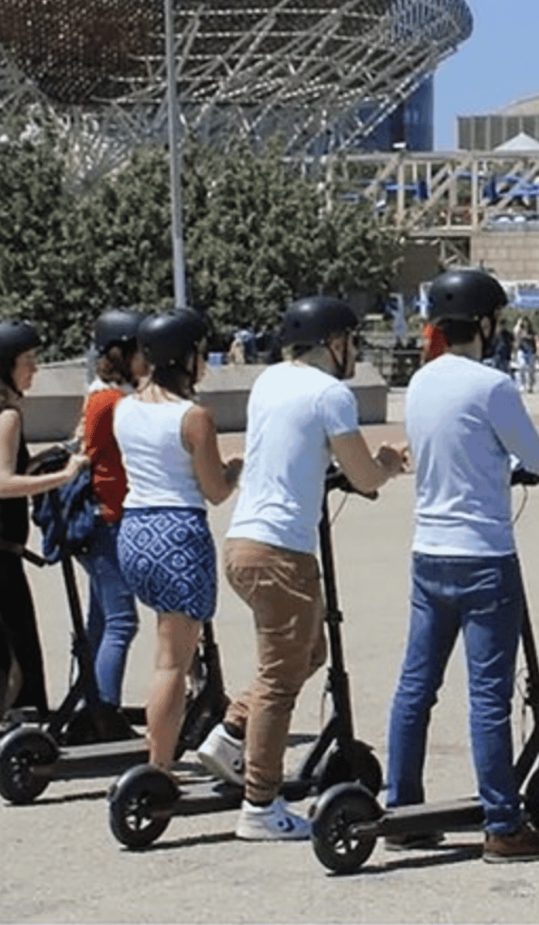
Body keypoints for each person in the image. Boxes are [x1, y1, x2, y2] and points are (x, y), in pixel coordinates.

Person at [197, 297, 408, 841]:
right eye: (351, 341)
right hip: (282, 553)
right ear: (332, 343)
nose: (355, 351)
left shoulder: (271, 381)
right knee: (281, 681)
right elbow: (363, 475)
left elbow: (296, 449)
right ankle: (260, 809)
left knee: (307, 652)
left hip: (244, 543)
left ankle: (229, 733)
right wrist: (387, 464)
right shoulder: (330, 393)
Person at [387, 268, 539, 863]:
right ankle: (501, 821)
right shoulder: (492, 385)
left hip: (429, 552)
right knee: (490, 695)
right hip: (484, 557)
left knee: (416, 686)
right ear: (487, 324)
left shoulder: (420, 383)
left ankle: (403, 807)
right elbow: (535, 452)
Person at [115, 309, 242, 774]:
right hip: (177, 533)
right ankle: (159, 768)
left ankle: (167, 750)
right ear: (185, 357)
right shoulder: (194, 418)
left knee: (167, 652)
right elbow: (214, 489)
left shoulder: (123, 408)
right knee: (171, 663)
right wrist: (234, 470)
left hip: (134, 531)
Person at [0, 322, 87, 742]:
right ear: (3, 367)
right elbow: (3, 483)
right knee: (10, 653)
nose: (34, 370)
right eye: (27, 363)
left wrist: (50, 457)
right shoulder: (6, 416)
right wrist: (64, 476)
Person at [78, 309, 146, 707]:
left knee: (101, 620)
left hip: (105, 516)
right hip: (108, 519)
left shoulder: (104, 396)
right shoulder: (110, 401)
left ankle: (92, 701)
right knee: (122, 621)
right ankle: (104, 710)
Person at [513, 317, 539, 394]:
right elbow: (515, 333)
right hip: (522, 351)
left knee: (531, 370)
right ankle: (522, 384)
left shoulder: (532, 333)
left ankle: (531, 385)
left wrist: (538, 351)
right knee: (522, 367)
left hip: (531, 352)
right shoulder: (519, 332)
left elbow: (536, 341)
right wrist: (518, 322)